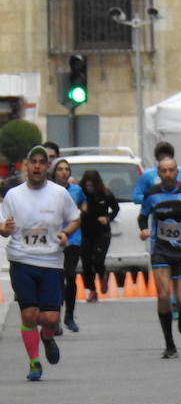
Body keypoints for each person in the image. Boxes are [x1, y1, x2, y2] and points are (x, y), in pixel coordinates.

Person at [0, 145, 80, 380]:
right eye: (32, 162)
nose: (36, 166)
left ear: (47, 167)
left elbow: (75, 218)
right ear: (26, 165)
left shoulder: (59, 194)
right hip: (22, 259)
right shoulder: (14, 195)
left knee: (50, 319)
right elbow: (3, 225)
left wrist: (66, 233)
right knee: (29, 315)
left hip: (51, 262)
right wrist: (4, 229)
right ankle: (34, 363)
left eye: (41, 162)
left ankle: (47, 336)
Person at [138, 158, 181, 359]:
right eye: (163, 171)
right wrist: (144, 229)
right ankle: (170, 345)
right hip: (161, 250)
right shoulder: (152, 194)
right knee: (163, 295)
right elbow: (143, 215)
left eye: (171, 170)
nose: (167, 174)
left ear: (176, 172)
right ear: (159, 173)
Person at [50, 158, 85, 331]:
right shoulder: (48, 190)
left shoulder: (76, 190)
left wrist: (83, 212)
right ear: (54, 173)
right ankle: (54, 318)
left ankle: (69, 316)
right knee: (56, 279)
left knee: (70, 276)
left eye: (67, 169)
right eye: (60, 169)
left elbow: (83, 204)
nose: (64, 172)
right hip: (53, 240)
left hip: (73, 239)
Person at [77, 169, 119, 301]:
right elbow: (70, 208)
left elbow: (116, 208)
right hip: (85, 232)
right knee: (86, 262)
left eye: (91, 186)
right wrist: (80, 210)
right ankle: (92, 290)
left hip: (102, 232)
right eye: (87, 185)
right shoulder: (81, 194)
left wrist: (108, 218)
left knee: (98, 260)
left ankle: (102, 275)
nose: (89, 188)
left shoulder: (104, 194)